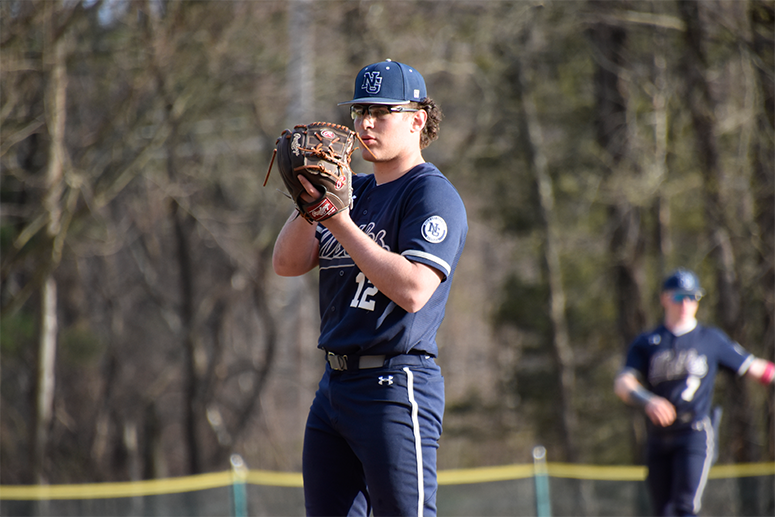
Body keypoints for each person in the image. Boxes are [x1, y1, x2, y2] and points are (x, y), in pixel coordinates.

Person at [272, 59, 468, 517]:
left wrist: (336, 219)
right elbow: (286, 263)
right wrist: (311, 204)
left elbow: (416, 289)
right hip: (334, 388)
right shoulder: (349, 190)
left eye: (382, 111)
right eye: (360, 111)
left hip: (394, 385)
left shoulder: (430, 194)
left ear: (418, 119)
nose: (366, 123)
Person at [614, 268, 775, 516]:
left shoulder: (710, 339)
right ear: (665, 298)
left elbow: (755, 368)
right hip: (658, 438)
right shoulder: (648, 342)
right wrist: (647, 400)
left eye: (693, 296)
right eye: (680, 296)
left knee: (684, 507)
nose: (687, 303)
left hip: (694, 435)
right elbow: (623, 384)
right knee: (663, 511)